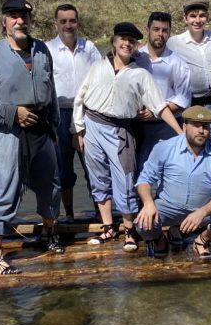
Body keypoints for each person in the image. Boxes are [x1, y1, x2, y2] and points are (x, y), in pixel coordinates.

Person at [0, 0, 63, 275]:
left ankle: (49, 234)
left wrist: (55, 127)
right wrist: (12, 113)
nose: (19, 20)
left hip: (42, 128)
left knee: (51, 185)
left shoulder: (42, 49)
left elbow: (52, 90)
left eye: (23, 16)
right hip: (8, 132)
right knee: (3, 188)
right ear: (4, 22)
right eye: (13, 16)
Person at [73, 22, 183, 252]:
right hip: (92, 125)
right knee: (98, 176)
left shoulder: (140, 74)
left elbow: (160, 106)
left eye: (131, 42)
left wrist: (180, 132)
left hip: (120, 130)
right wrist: (79, 129)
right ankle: (107, 226)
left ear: (135, 47)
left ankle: (129, 230)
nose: (126, 44)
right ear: (114, 42)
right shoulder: (98, 66)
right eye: (123, 39)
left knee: (125, 180)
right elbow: (80, 97)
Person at [135, 105, 211, 259]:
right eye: (195, 126)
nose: (201, 130)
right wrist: (149, 204)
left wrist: (202, 212)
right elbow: (144, 179)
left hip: (203, 210)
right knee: (142, 223)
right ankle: (160, 239)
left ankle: (202, 239)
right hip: (168, 206)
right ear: (184, 126)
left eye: (205, 126)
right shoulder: (164, 148)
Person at [44, 3, 102, 221]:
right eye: (63, 21)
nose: (68, 25)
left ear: (78, 22)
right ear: (56, 24)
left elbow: (102, 73)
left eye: (72, 20)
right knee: (62, 169)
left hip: (86, 113)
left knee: (93, 165)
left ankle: (100, 213)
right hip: (58, 113)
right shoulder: (47, 49)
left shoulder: (89, 48)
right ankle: (68, 215)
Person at [166, 0, 211, 143]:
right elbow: (154, 57)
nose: (198, 20)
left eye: (202, 15)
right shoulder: (174, 43)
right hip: (189, 103)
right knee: (190, 144)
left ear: (207, 17)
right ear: (185, 18)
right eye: (193, 16)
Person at [133, 10, 191, 172]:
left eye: (165, 30)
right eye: (156, 29)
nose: (160, 34)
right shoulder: (135, 59)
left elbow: (183, 99)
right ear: (148, 30)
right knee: (138, 171)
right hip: (138, 125)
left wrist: (155, 111)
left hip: (168, 125)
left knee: (169, 170)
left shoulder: (177, 63)